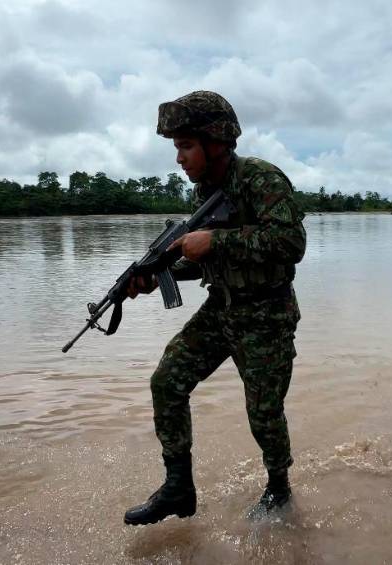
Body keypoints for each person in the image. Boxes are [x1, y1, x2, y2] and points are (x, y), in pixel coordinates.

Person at [123, 91, 306, 525]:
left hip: (266, 315)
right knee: (167, 382)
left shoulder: (261, 179)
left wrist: (215, 240)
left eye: (186, 146)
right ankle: (178, 488)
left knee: (263, 413)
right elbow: (205, 258)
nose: (179, 158)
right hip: (221, 309)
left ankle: (279, 490)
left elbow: (291, 244)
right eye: (177, 148)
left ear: (216, 141)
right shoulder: (206, 192)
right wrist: (158, 275)